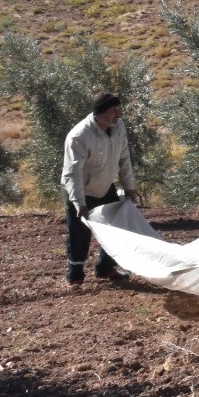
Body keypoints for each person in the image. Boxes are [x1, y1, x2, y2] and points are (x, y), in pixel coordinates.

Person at [61, 92, 138, 286]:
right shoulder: (79, 136)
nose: (118, 115)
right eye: (113, 111)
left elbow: (124, 159)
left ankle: (105, 268)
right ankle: (75, 276)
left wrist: (129, 186)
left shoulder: (119, 127)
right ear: (99, 113)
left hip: (105, 186)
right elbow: (73, 173)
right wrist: (79, 202)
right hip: (79, 189)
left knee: (116, 227)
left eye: (119, 110)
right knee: (80, 233)